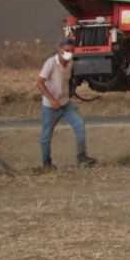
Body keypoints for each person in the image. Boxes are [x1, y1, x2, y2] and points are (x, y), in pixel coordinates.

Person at [38, 36, 96, 169]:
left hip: (65, 103)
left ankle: (82, 157)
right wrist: (51, 99)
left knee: (79, 125)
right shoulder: (50, 63)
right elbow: (40, 82)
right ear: (59, 50)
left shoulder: (70, 63)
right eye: (66, 50)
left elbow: (68, 81)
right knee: (46, 134)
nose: (69, 53)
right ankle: (47, 162)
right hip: (51, 105)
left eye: (71, 50)